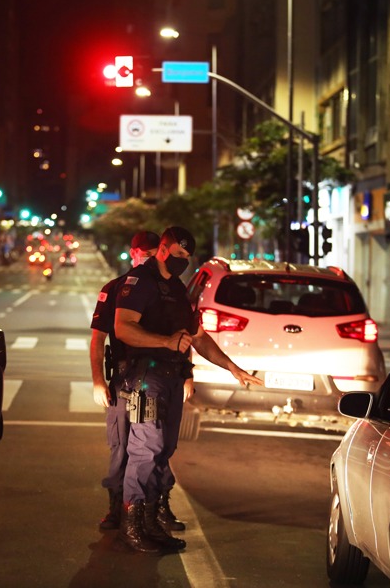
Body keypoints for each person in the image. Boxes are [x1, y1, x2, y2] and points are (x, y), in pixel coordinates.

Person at [114, 226, 263, 554]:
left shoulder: (177, 288)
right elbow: (123, 327)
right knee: (146, 449)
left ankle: (151, 522)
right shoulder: (141, 281)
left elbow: (197, 336)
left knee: (164, 449)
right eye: (178, 255)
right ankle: (132, 524)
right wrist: (164, 341)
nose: (183, 261)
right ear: (163, 250)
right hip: (145, 376)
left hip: (170, 376)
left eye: (187, 257)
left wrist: (232, 366)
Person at [90, 230, 190, 533]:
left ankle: (155, 508)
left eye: (151, 252)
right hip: (125, 379)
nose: (147, 257)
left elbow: (183, 336)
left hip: (157, 378)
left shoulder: (167, 288)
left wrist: (188, 375)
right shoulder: (118, 288)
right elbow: (98, 340)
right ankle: (118, 510)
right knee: (122, 447)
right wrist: (98, 381)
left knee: (155, 446)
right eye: (142, 252)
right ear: (133, 254)